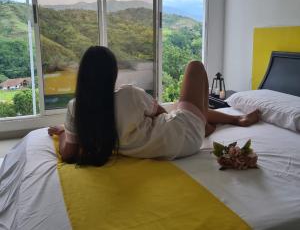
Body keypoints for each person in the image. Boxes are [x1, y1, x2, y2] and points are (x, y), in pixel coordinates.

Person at [48, 46, 259, 166]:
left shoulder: (76, 108)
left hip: (183, 140)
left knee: (181, 108)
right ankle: (231, 120)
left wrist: (65, 132)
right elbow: (162, 113)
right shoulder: (129, 94)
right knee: (195, 67)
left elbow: (68, 154)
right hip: (185, 135)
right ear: (112, 74)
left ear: (83, 76)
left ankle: (218, 123)